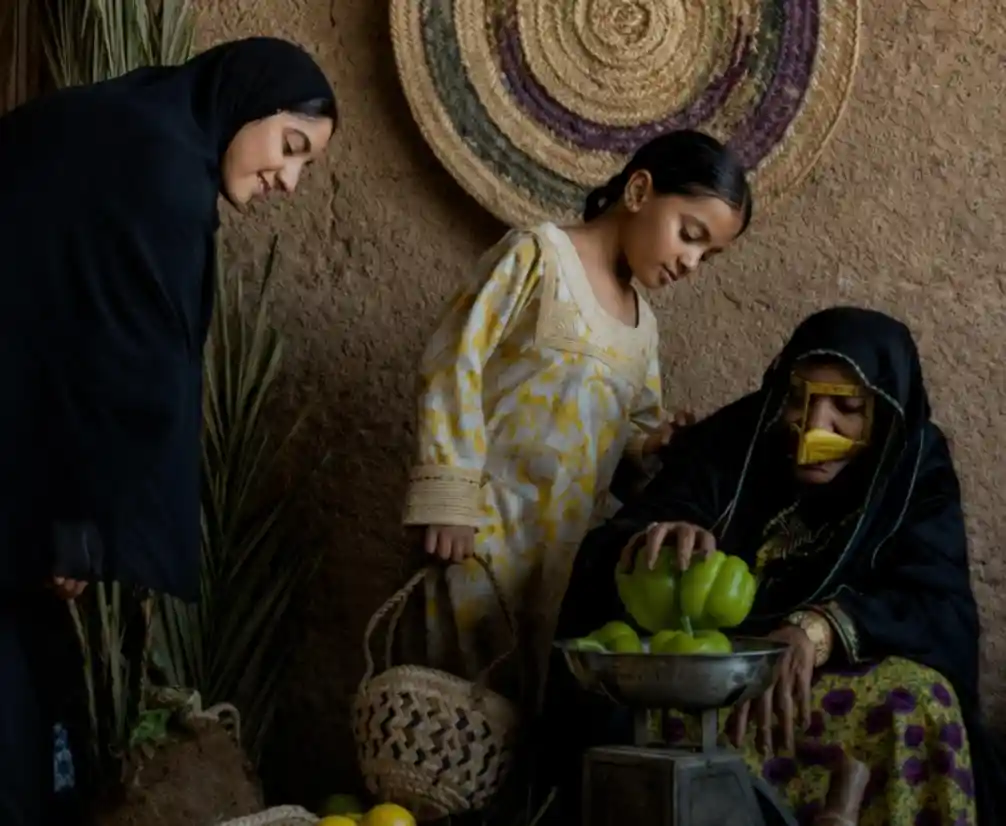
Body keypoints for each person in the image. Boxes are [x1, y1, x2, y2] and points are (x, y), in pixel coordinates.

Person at [0, 37, 337, 825]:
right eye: (291, 147)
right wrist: (78, 532)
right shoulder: (160, 175)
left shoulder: (123, 125)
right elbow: (122, 368)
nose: (288, 180)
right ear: (248, 101)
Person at [549, 307, 1004, 825]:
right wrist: (661, 537)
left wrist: (821, 629)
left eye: (847, 408)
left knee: (915, 703)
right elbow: (630, 531)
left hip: (829, 686)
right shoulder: (740, 439)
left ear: (885, 412)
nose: (815, 428)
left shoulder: (914, 467)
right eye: (798, 401)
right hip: (715, 686)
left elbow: (939, 607)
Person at [402, 130, 753, 705]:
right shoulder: (539, 257)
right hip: (479, 536)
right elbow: (451, 363)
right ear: (639, 190)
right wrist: (449, 497)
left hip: (564, 559)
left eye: (708, 256)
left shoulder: (644, 328)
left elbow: (631, 432)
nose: (692, 261)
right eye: (690, 234)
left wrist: (656, 442)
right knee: (450, 701)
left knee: (531, 708)